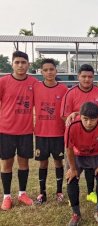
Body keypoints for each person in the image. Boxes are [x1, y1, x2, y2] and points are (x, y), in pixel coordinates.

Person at [61, 64, 98, 204]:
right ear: (78, 76)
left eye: (90, 77)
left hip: (95, 139)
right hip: (77, 139)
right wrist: (77, 116)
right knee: (73, 170)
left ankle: (92, 193)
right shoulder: (70, 93)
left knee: (94, 169)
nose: (87, 79)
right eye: (84, 76)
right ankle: (73, 196)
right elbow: (64, 116)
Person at [0, 51, 38, 210]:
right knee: (6, 164)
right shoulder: (3, 81)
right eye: (17, 62)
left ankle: (22, 193)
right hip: (6, 130)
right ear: (12, 64)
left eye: (23, 62)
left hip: (25, 131)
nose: (20, 65)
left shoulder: (34, 83)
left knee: (23, 163)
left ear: (28, 64)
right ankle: (7, 196)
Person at [65, 102, 98, 225]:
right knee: (71, 178)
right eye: (85, 119)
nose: (89, 123)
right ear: (80, 116)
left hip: (96, 154)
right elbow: (69, 148)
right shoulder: (72, 125)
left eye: (93, 119)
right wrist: (73, 168)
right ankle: (76, 214)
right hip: (77, 154)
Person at [34, 58, 68, 204]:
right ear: (41, 72)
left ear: (56, 70)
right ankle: (42, 193)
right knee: (42, 164)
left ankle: (59, 191)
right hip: (41, 133)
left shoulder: (64, 89)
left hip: (58, 133)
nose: (49, 72)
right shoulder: (35, 87)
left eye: (51, 69)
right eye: (45, 70)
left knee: (58, 162)